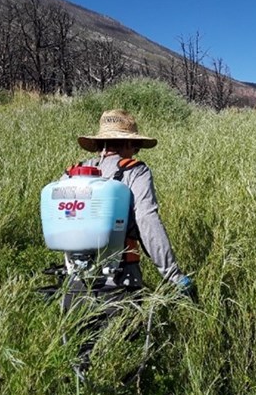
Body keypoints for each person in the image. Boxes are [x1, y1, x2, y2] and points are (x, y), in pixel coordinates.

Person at [67, 108, 194, 294]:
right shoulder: (135, 171)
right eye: (136, 146)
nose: (135, 152)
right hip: (122, 273)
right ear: (127, 143)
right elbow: (146, 219)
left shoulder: (73, 173)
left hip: (73, 275)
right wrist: (173, 274)